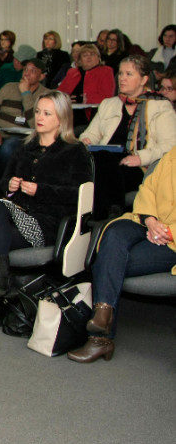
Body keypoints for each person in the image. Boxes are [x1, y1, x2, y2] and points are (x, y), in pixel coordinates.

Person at [0, 92, 93, 332]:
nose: (39, 117)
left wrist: (40, 190)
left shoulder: (74, 151)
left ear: (61, 118)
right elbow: (4, 182)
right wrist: (11, 185)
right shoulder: (26, 148)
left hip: (49, 224)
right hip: (18, 215)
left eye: (47, 113)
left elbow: (81, 195)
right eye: (38, 112)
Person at [67, 145, 176, 363]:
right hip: (147, 220)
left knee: (109, 260)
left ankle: (100, 338)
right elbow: (148, 188)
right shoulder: (172, 155)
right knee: (114, 233)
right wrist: (150, 220)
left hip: (170, 240)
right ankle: (103, 316)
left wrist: (167, 232)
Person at [79, 55, 176, 219]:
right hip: (104, 160)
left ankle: (104, 217)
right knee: (100, 160)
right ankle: (106, 216)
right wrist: (86, 140)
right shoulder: (109, 104)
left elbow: (170, 146)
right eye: (121, 73)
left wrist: (140, 158)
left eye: (129, 74)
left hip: (139, 166)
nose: (122, 78)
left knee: (103, 166)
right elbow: (91, 133)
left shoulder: (160, 106)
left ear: (144, 79)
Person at [0, 59, 52, 198]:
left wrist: (26, 94)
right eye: (25, 70)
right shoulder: (8, 88)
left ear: (42, 76)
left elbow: (35, 124)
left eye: (33, 71)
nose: (27, 74)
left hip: (24, 138)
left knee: (8, 147)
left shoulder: (46, 95)